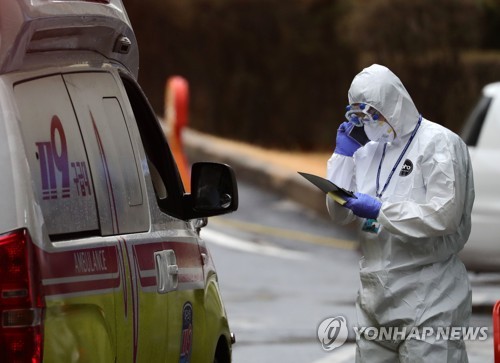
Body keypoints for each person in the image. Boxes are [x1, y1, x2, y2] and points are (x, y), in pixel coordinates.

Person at [326, 64, 475, 362]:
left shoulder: (438, 143)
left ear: (395, 104)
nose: (369, 122)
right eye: (359, 115)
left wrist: (381, 210)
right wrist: (342, 158)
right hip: (376, 296)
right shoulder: (367, 150)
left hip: (431, 293)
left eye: (373, 113)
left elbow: (444, 214)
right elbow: (339, 214)